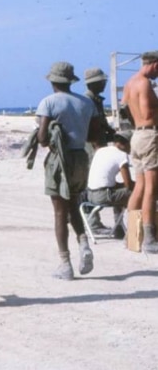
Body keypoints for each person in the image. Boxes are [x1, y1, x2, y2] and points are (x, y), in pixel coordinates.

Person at [36, 62, 98, 279]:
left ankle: (65, 263)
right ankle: (84, 245)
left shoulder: (49, 102)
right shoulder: (86, 103)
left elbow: (43, 139)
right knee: (74, 205)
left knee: (60, 213)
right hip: (81, 157)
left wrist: (53, 132)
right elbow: (92, 134)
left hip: (60, 160)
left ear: (53, 82)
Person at [121, 50, 158, 253]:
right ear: (155, 64)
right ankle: (150, 238)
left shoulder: (129, 83)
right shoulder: (145, 83)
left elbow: (125, 108)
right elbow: (148, 112)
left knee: (140, 186)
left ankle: (132, 236)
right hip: (149, 134)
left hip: (136, 135)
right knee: (151, 187)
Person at [86, 130, 133, 238]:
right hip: (103, 195)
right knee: (136, 193)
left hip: (90, 194)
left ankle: (119, 228)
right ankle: (135, 228)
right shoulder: (121, 155)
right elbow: (129, 184)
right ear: (127, 144)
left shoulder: (101, 150)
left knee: (120, 193)